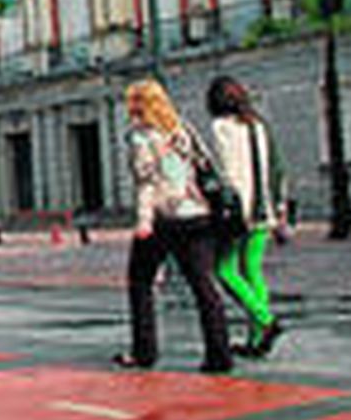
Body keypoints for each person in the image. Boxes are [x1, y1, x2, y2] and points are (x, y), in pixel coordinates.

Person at [114, 79, 234, 374]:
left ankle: (145, 351)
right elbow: (204, 165)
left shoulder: (141, 136)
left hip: (163, 217)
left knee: (140, 281)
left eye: (132, 103)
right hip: (198, 214)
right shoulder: (183, 129)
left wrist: (143, 221)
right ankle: (219, 355)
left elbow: (147, 181)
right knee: (203, 285)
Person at [208, 76, 287, 358]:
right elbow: (276, 168)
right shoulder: (259, 125)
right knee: (253, 271)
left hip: (239, 213)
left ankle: (265, 320)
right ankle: (257, 341)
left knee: (224, 270)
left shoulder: (221, 128)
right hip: (263, 209)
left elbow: (227, 172)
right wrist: (279, 207)